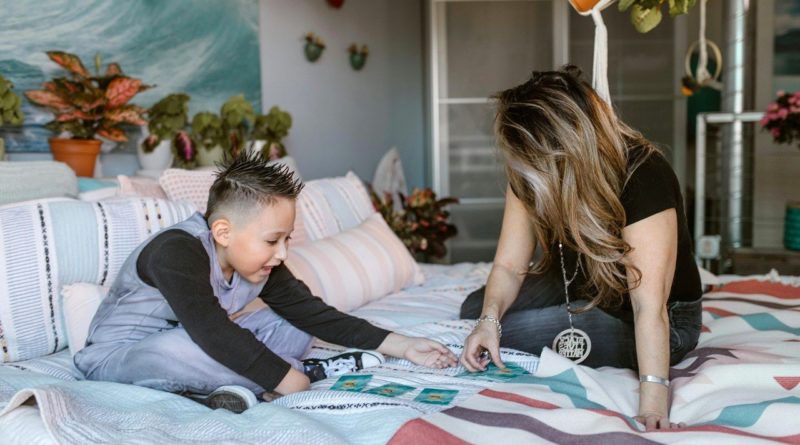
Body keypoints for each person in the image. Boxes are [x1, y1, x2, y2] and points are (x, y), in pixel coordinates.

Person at [75, 152, 458, 413]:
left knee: (291, 322)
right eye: (272, 240)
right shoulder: (176, 251)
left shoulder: (259, 263)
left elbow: (313, 313)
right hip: (118, 356)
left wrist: (404, 344)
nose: (282, 253)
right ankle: (290, 376)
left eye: (287, 239)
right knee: (200, 345)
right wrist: (292, 378)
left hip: (199, 341)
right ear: (223, 231)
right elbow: (210, 331)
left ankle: (235, 389)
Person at [459, 66, 702, 431]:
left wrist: (653, 405)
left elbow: (648, 308)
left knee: (517, 332)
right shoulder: (532, 170)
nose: (524, 171)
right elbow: (509, 266)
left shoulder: (642, 173)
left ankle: (566, 315)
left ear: (562, 151)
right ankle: (559, 311)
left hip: (656, 316)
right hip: (581, 280)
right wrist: (488, 321)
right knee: (476, 310)